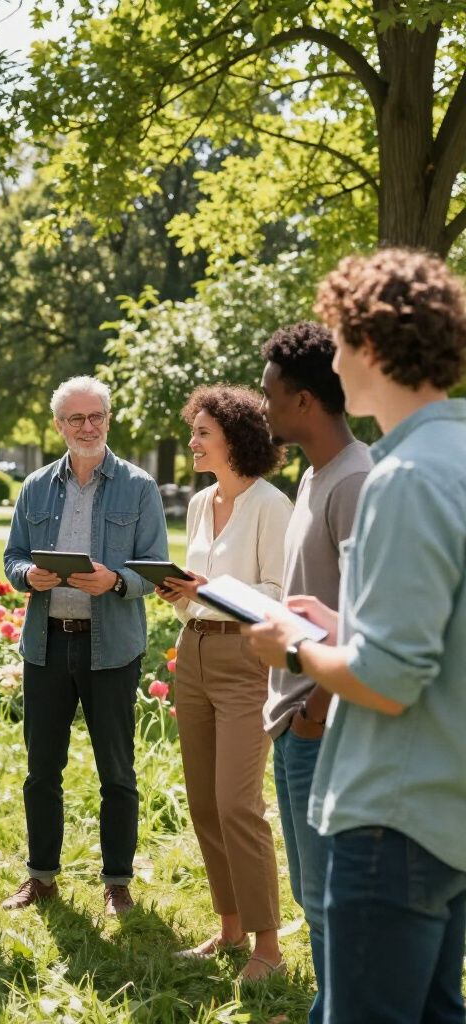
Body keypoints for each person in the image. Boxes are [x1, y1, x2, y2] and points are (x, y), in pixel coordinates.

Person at [247, 249, 466, 1024]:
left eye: (341, 342)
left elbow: (391, 676)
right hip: (448, 807)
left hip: (390, 816)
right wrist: (350, 626)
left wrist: (294, 647)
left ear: (372, 348)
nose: (333, 361)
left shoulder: (401, 479)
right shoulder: (456, 455)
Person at [1, 375, 169, 915]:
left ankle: (117, 880)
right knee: (41, 769)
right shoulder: (35, 487)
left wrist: (116, 581)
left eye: (96, 416)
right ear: (59, 426)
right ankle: (41, 877)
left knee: (116, 771)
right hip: (47, 644)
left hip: (112, 647)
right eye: (76, 419)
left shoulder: (139, 486)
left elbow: (154, 567)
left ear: (109, 419)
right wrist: (30, 576)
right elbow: (12, 558)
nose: (88, 426)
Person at [155, 384, 291, 980]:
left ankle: (269, 947)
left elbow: (278, 596)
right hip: (195, 654)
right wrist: (182, 597)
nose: (193, 441)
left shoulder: (271, 504)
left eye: (202, 433)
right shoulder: (198, 502)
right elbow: (198, 591)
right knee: (206, 803)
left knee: (239, 803)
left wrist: (201, 591)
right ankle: (230, 929)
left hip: (246, 663)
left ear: (234, 438)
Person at [258, 323, 372, 1020]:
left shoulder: (355, 481)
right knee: (311, 894)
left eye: (270, 395)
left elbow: (364, 618)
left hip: (321, 724)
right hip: (293, 715)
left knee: (331, 901)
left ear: (304, 401)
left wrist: (312, 715)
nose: (262, 406)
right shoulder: (312, 475)